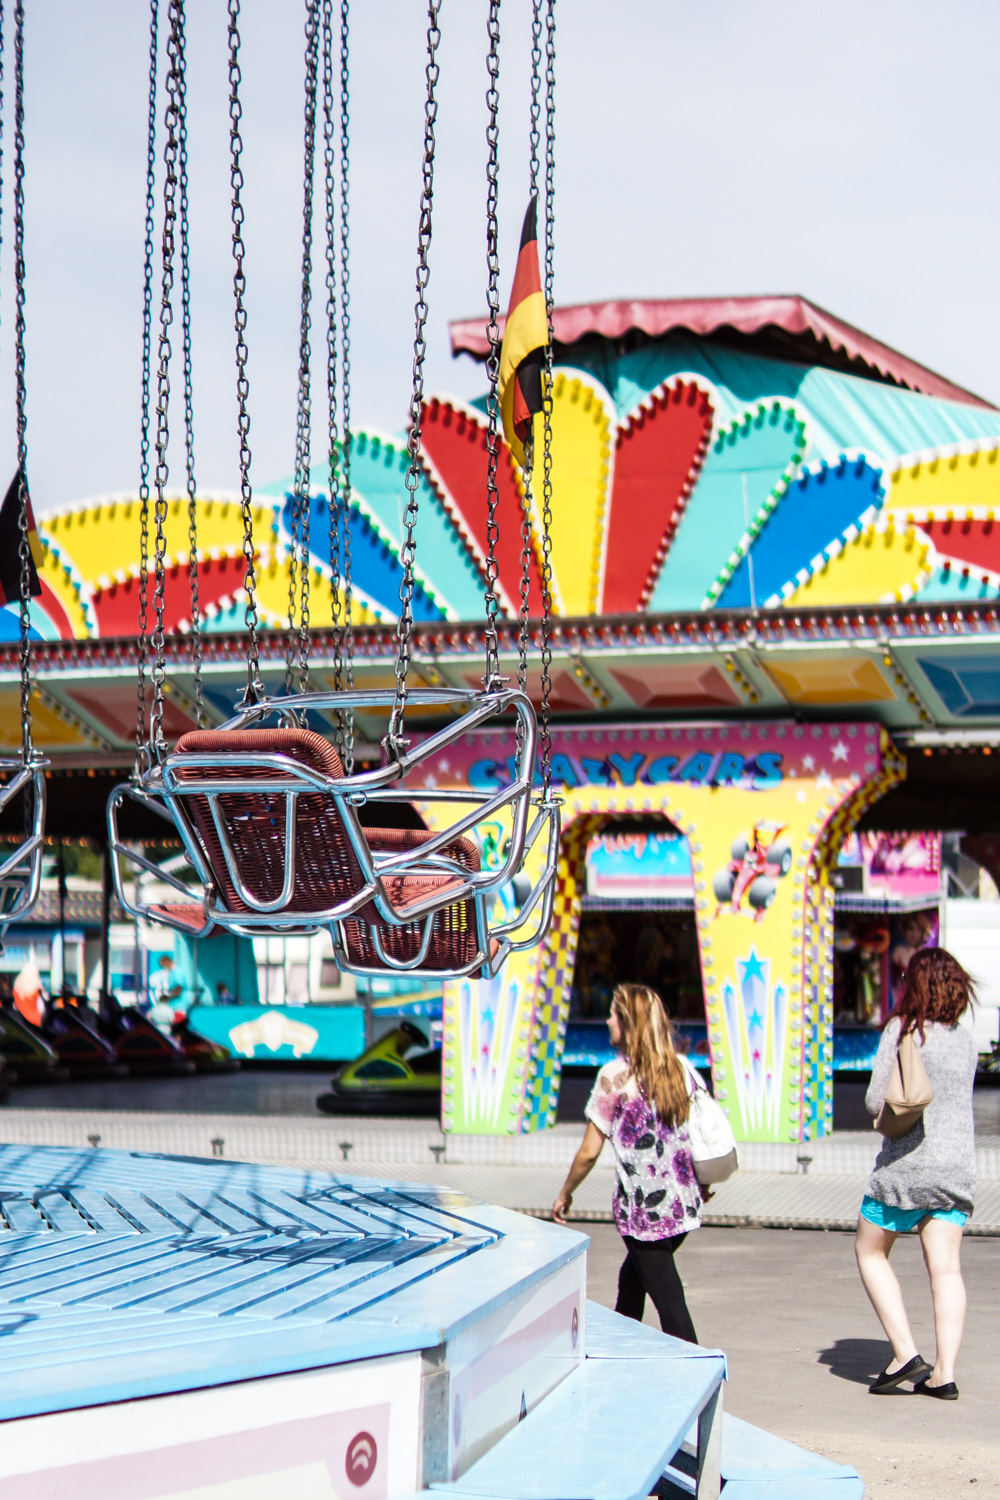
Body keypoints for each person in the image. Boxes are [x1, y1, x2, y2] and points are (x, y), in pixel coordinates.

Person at [855, 947, 977, 1400]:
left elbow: (873, 1101)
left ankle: (905, 1353)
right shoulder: (964, 1038)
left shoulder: (903, 1030)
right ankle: (943, 1373)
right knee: (946, 1272)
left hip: (906, 1168)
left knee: (869, 1251)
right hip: (955, 1168)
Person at [553, 983, 702, 1342]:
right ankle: (618, 1351)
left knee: (669, 1298)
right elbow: (695, 1133)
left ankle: (696, 1371)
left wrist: (565, 1193)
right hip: (683, 1204)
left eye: (613, 1014)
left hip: (645, 1211)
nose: (607, 1020)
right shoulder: (681, 1069)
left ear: (628, 1023)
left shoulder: (614, 1076)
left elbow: (589, 1151)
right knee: (633, 1280)